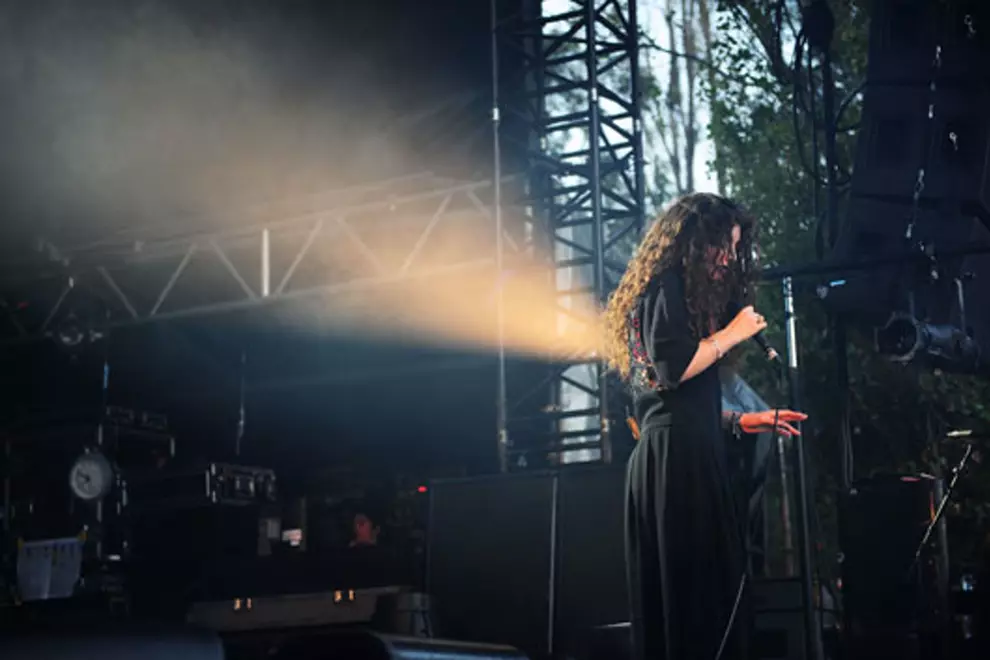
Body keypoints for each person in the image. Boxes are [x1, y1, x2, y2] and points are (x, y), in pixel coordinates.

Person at [603, 193, 807, 660]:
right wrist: (732, 332)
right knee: (698, 603)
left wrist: (741, 420)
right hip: (680, 464)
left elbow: (669, 403)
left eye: (735, 250)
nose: (728, 260)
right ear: (696, 242)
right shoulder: (666, 286)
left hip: (672, 454)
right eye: (724, 246)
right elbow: (676, 369)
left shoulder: (657, 295)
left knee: (688, 605)